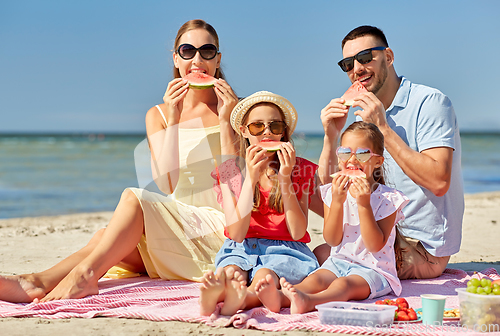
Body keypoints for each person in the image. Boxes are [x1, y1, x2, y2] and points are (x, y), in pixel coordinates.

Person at [0, 19, 240, 303]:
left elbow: (235, 182)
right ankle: (35, 282)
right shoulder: (159, 115)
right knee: (105, 236)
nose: (197, 59)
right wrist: (173, 118)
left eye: (207, 51)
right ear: (176, 58)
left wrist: (228, 118)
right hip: (179, 228)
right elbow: (166, 183)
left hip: (222, 232)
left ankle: (84, 277)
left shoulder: (240, 109)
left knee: (133, 199)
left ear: (218, 58)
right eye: (188, 51)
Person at [315, 25, 464, 280]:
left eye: (364, 58)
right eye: (348, 64)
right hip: (375, 230)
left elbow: (439, 182)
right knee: (315, 253)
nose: (356, 69)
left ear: (389, 57)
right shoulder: (365, 112)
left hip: (421, 246)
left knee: (327, 264)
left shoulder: (430, 103)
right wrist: (330, 136)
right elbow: (330, 187)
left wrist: (383, 127)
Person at [258, 121, 409, 314]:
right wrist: (337, 201)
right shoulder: (332, 192)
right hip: (337, 261)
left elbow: (374, 245)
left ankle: (309, 302)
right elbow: (332, 239)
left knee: (343, 285)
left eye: (362, 154)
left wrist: (364, 204)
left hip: (374, 271)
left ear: (378, 161)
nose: (352, 160)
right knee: (316, 279)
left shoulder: (389, 199)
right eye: (345, 153)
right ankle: (281, 297)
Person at [198, 91, 319, 316]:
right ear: (243, 131)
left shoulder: (300, 169)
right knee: (232, 271)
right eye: (257, 127)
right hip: (241, 247)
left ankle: (242, 299)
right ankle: (216, 296)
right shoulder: (230, 171)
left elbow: (297, 231)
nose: (266, 132)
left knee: (265, 275)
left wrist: (285, 178)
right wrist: (250, 178)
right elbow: (236, 233)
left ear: (284, 132)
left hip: (285, 250)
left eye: (274, 126)